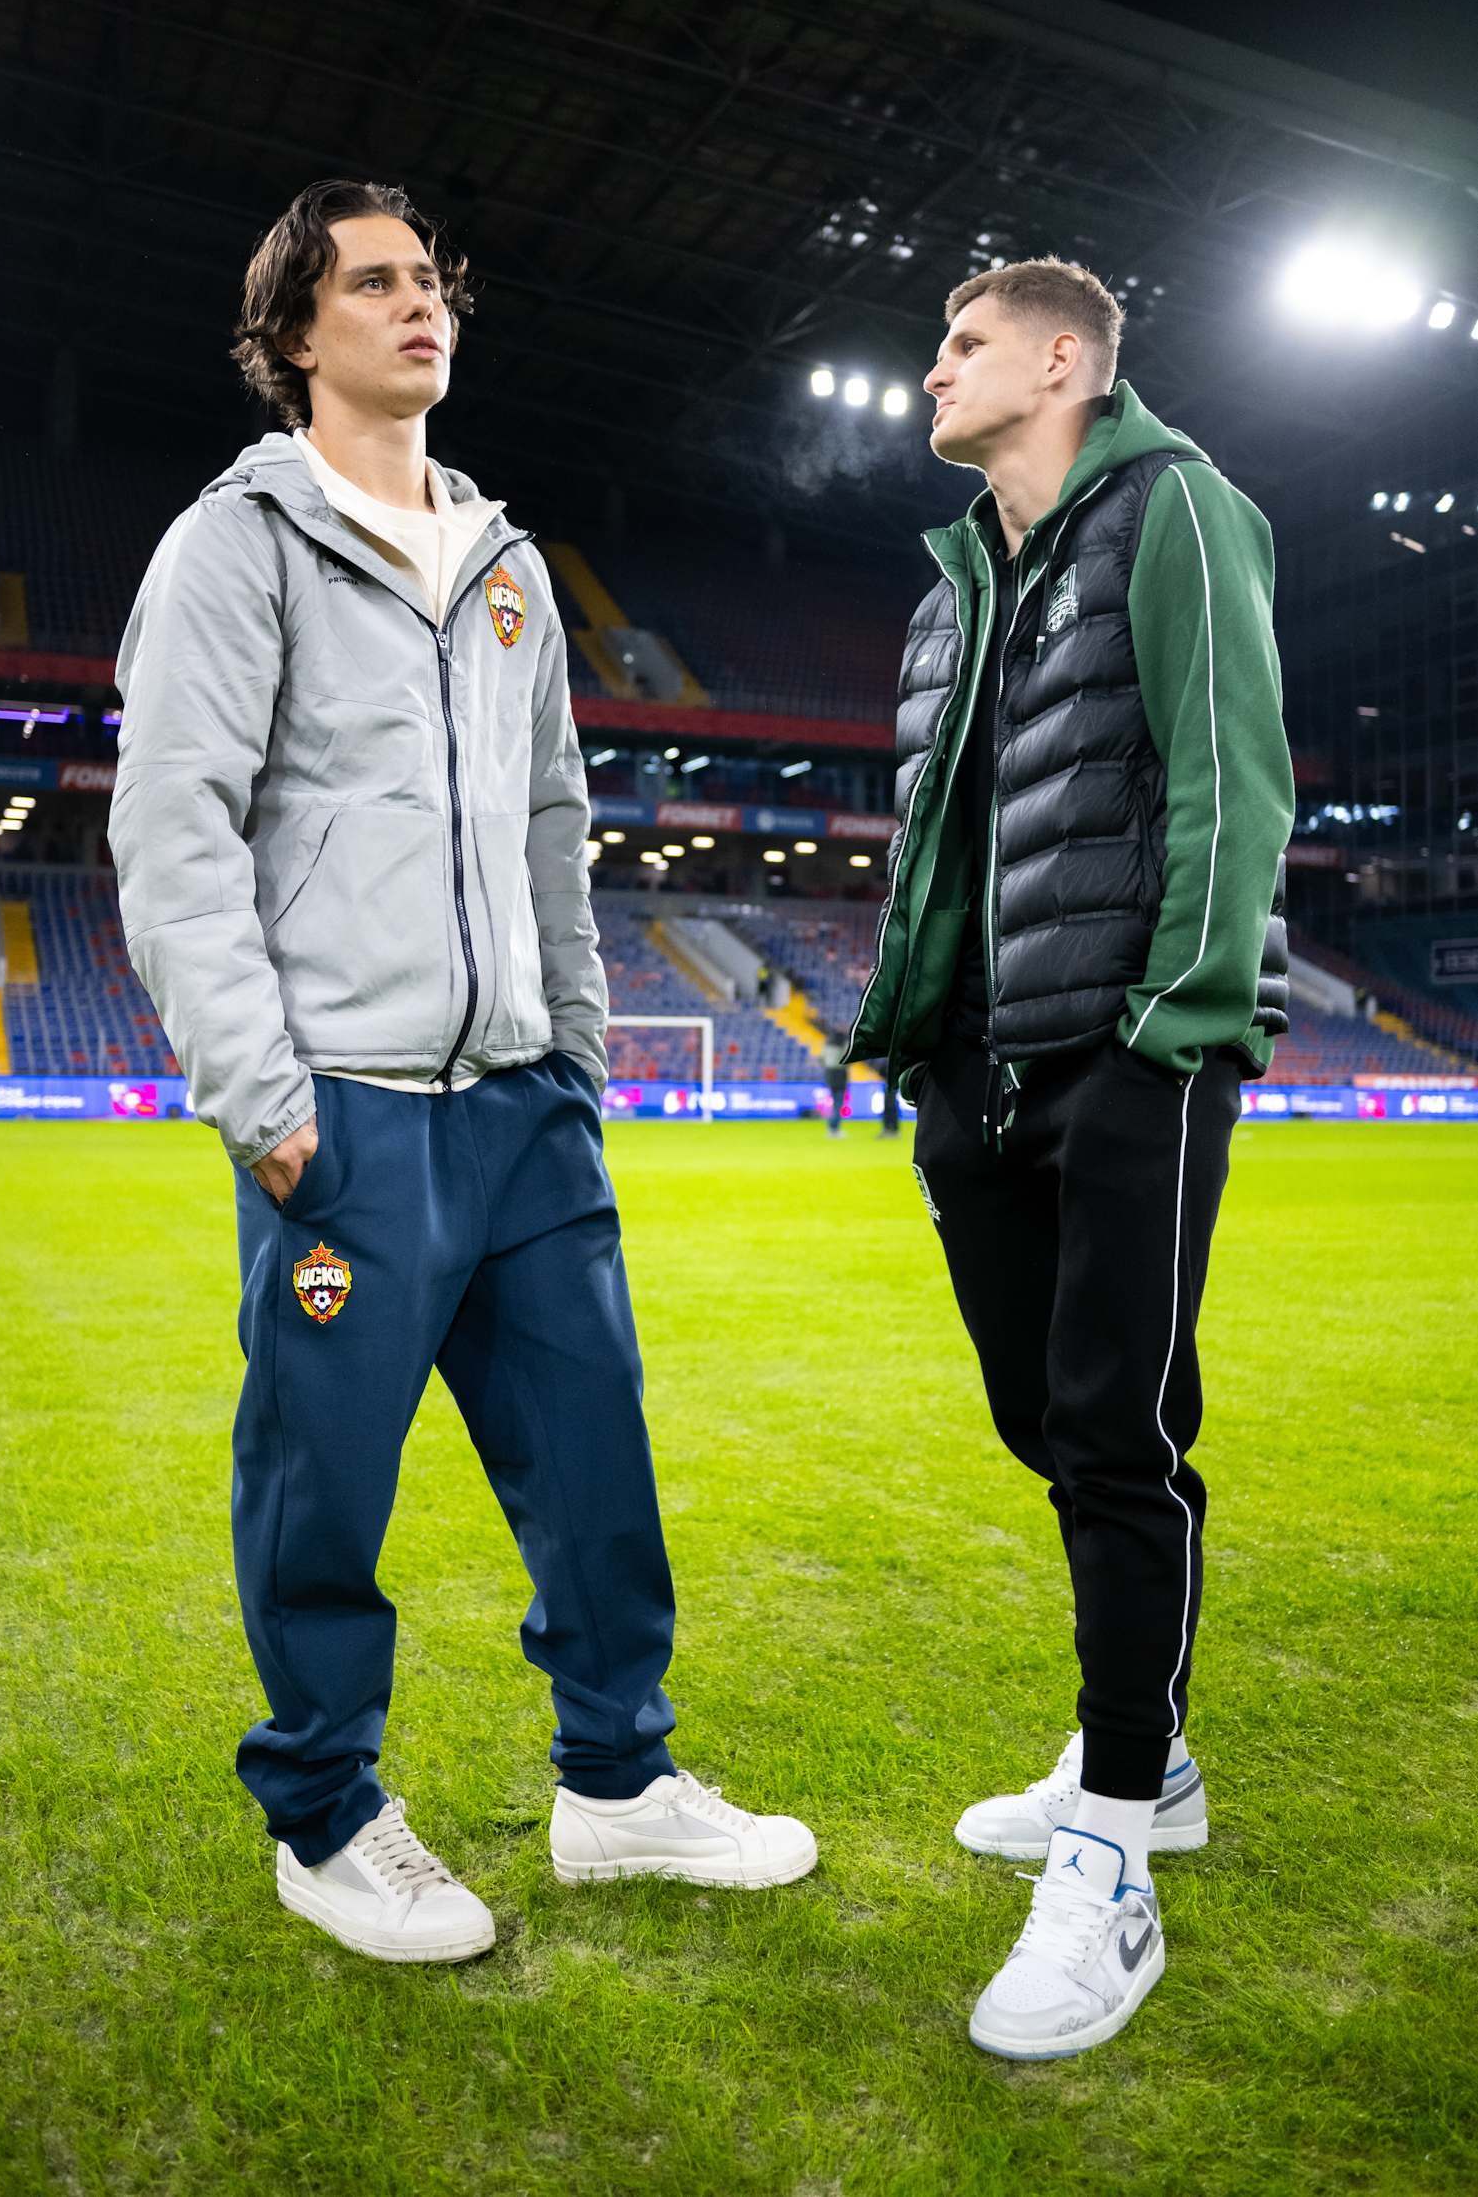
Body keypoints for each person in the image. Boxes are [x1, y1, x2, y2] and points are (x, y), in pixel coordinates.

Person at [109, 178, 815, 1966]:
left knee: (596, 1463)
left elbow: (552, 827)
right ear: (293, 334)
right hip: (345, 1109)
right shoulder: (235, 546)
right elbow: (174, 833)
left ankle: (618, 1783)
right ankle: (327, 1815)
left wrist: (574, 1051)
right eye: (373, 282)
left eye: (430, 279)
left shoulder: (506, 566)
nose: (420, 303)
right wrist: (265, 1098)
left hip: (524, 1109)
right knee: (323, 1485)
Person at [844, 257, 1291, 2058]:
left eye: (958, 345)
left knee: (1115, 1431)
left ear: (1058, 359)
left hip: (1130, 1047)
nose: (930, 372)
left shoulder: (1176, 507)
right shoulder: (953, 582)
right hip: (975, 1063)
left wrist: (1176, 1019)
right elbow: (941, 840)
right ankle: (1149, 1750)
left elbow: (1228, 769)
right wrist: (916, 1036)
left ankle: (1113, 1841)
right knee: (1039, 1417)